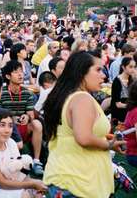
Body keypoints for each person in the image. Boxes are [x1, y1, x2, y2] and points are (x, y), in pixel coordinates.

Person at [42, 51, 125, 198]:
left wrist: (104, 138)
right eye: (98, 70)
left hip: (72, 180)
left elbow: (75, 133)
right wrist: (109, 144)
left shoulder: (68, 96)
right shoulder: (82, 99)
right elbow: (84, 138)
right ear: (81, 72)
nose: (103, 75)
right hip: (78, 183)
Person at [0, 60, 44, 175]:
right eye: (16, 72)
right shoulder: (1, 93)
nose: (20, 75)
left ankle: (36, 160)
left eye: (21, 72)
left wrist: (27, 117)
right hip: (7, 128)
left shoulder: (27, 93)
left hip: (23, 127)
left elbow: (31, 114)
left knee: (37, 124)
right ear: (8, 76)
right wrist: (11, 119)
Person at [110, 56, 136, 124]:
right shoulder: (117, 81)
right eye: (130, 67)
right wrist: (132, 106)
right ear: (123, 67)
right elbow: (118, 104)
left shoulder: (131, 79)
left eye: (134, 67)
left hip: (128, 109)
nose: (133, 69)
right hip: (119, 112)